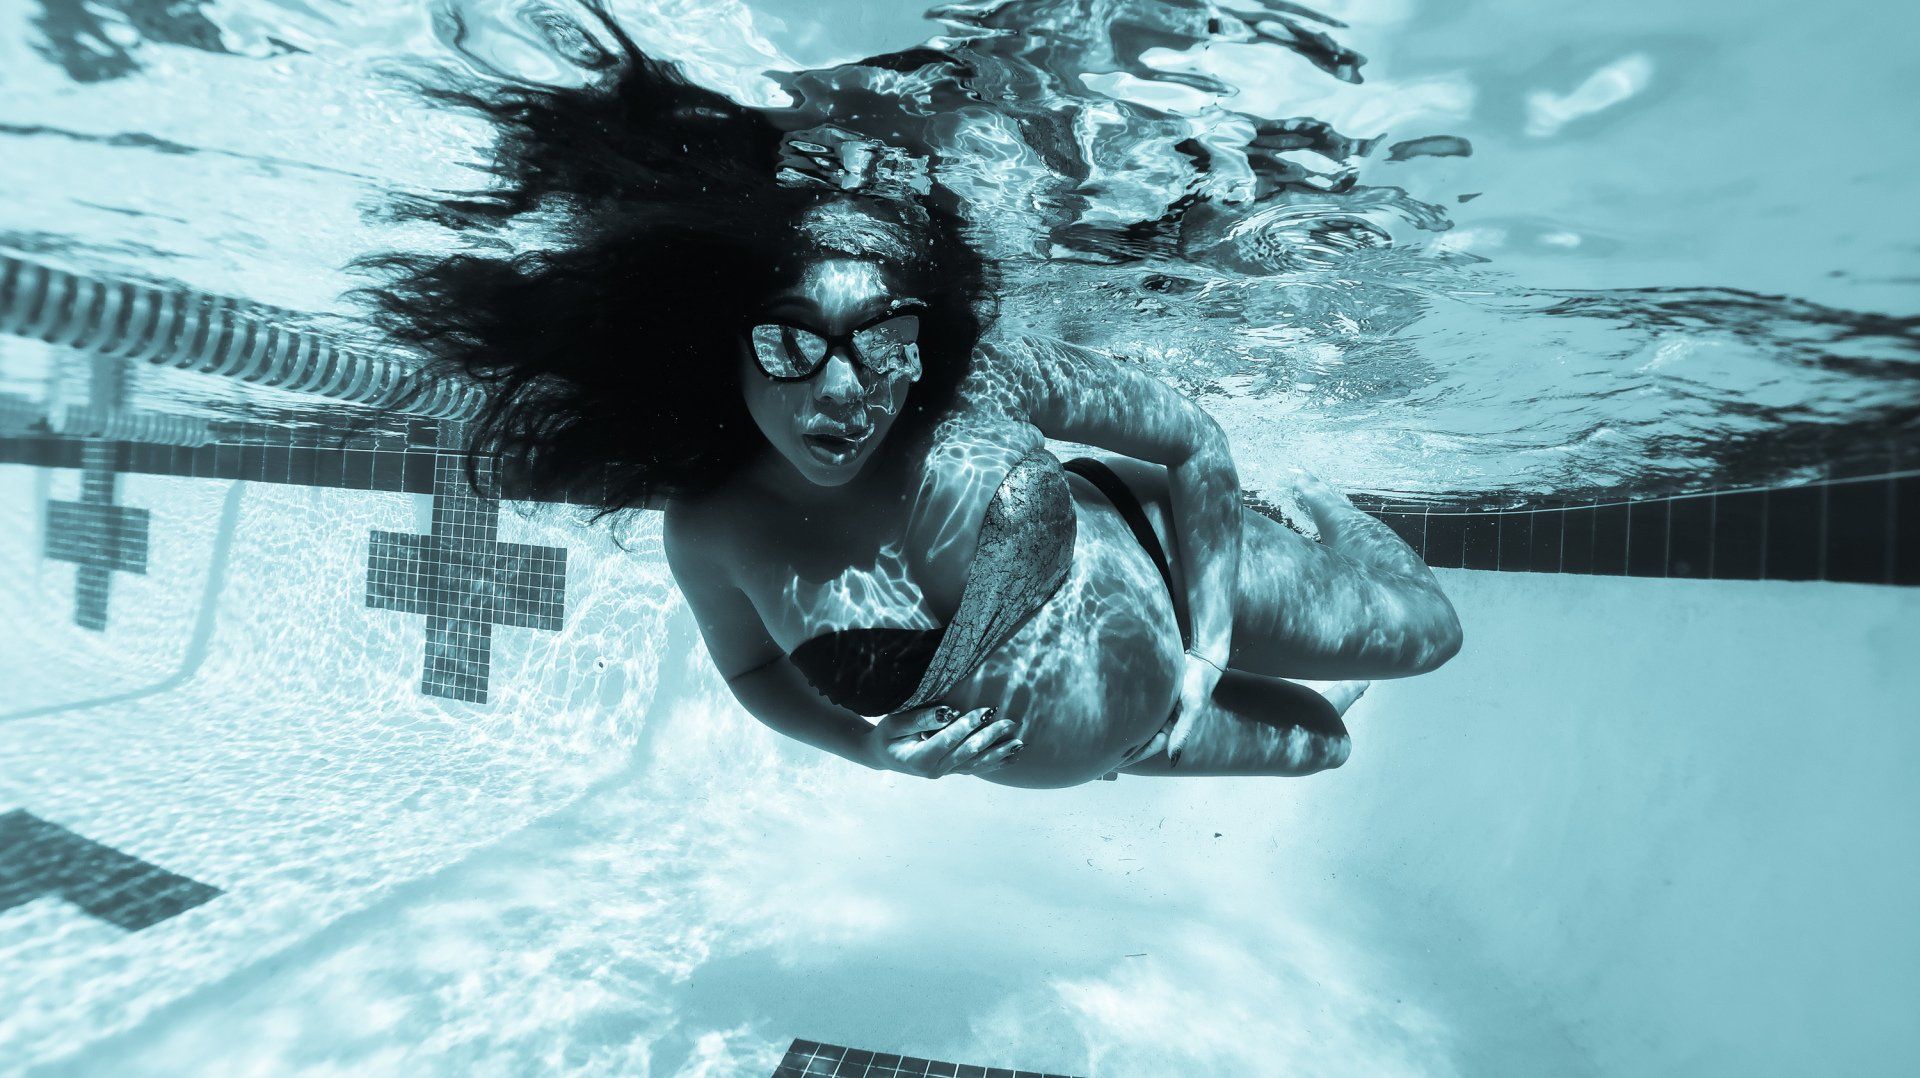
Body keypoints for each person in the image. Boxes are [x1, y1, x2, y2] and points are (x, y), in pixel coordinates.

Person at [363, 7, 1461, 789]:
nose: (841, 393)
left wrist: (1208, 650)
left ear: (921, 341)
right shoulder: (711, 528)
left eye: (881, 343)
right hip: (1136, 744)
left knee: (1431, 641)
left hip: (1170, 573)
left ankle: (1319, 509)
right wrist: (867, 746)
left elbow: (1196, 441)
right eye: (789, 344)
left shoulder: (986, 384)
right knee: (1328, 746)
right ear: (718, 352)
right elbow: (751, 668)